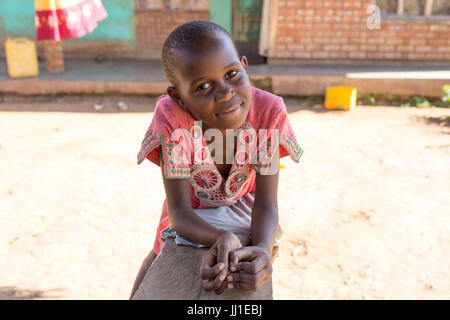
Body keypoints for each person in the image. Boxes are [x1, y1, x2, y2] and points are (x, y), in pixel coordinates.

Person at [130, 20, 303, 299]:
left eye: (232, 73)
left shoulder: (269, 114)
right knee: (159, 258)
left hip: (243, 203)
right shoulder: (172, 119)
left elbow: (267, 202)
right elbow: (179, 213)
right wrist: (221, 237)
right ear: (179, 97)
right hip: (191, 209)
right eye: (203, 86)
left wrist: (262, 248)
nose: (225, 93)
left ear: (245, 68)